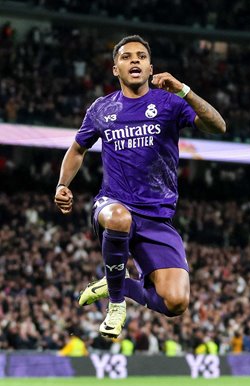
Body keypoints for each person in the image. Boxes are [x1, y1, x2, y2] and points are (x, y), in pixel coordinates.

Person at [54, 35, 226, 339]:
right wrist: (62, 185)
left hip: (157, 217)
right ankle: (116, 304)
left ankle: (118, 283)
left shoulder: (170, 103)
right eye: (126, 57)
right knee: (120, 218)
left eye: (141, 57)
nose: (135, 60)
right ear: (115, 69)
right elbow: (77, 149)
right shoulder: (101, 109)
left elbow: (218, 126)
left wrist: (184, 90)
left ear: (150, 67)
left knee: (175, 303)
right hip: (112, 204)